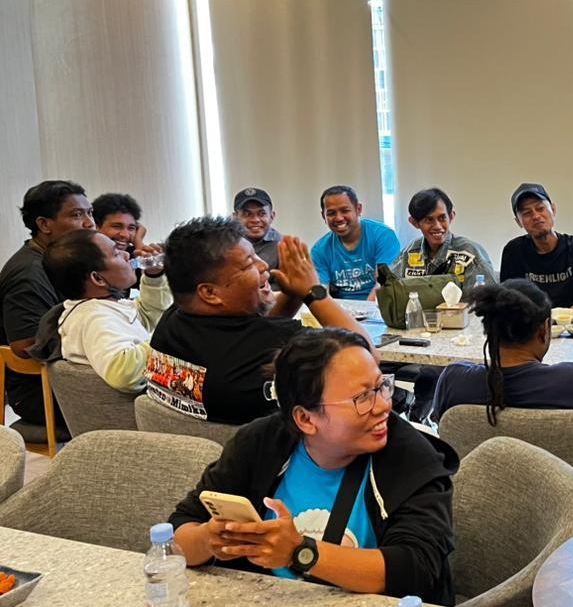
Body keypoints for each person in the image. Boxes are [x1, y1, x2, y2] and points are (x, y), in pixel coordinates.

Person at [170, 328, 456, 602]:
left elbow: (416, 570)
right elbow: (177, 536)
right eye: (363, 398)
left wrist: (300, 552)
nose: (383, 406)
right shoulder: (260, 444)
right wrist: (209, 539)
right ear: (306, 419)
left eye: (382, 387)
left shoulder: (411, 457)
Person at [147, 216, 372, 424]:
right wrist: (313, 292)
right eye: (248, 264)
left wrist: (292, 294)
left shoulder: (171, 322)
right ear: (210, 293)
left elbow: (250, 339)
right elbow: (365, 356)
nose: (264, 265)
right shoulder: (275, 344)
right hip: (280, 451)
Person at [431, 279, 573, 432]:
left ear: (489, 330)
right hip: (567, 484)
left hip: (475, 483)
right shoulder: (572, 381)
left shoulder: (453, 380)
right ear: (545, 329)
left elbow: (444, 429)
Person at [0, 180, 94, 426]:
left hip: (64, 379)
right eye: (77, 215)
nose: (89, 223)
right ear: (44, 224)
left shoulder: (59, 260)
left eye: (90, 213)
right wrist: (94, 341)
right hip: (39, 392)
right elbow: (25, 345)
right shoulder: (29, 272)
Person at [40, 229, 170, 392]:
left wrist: (153, 277)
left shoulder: (101, 306)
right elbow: (122, 373)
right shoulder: (93, 318)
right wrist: (169, 337)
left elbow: (147, 318)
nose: (127, 255)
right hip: (134, 407)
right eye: (116, 254)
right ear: (98, 278)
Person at [499, 183, 573, 310]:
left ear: (553, 209)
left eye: (540, 208)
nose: (536, 216)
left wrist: (554, 320)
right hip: (534, 321)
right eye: (527, 213)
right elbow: (510, 301)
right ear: (518, 222)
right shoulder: (513, 251)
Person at [390, 187, 496, 292]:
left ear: (451, 216)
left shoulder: (471, 254)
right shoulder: (409, 252)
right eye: (429, 220)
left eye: (442, 218)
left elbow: (489, 299)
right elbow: (391, 290)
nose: (437, 226)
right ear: (415, 223)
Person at [311, 185, 401, 300]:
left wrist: (364, 309)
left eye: (345, 211)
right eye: (331, 213)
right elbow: (322, 294)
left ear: (358, 209)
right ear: (323, 216)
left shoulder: (383, 236)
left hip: (379, 306)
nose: (339, 218)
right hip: (340, 308)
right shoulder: (319, 250)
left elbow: (385, 285)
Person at [233, 187, 282, 273]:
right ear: (235, 217)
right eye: (247, 214)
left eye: (262, 214)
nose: (255, 220)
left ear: (272, 216)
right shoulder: (226, 245)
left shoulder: (282, 247)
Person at [91, 192, 146, 257]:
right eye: (117, 226)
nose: (125, 235)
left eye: (131, 228)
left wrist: (139, 243)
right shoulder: (84, 257)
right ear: (96, 227)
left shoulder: (132, 253)